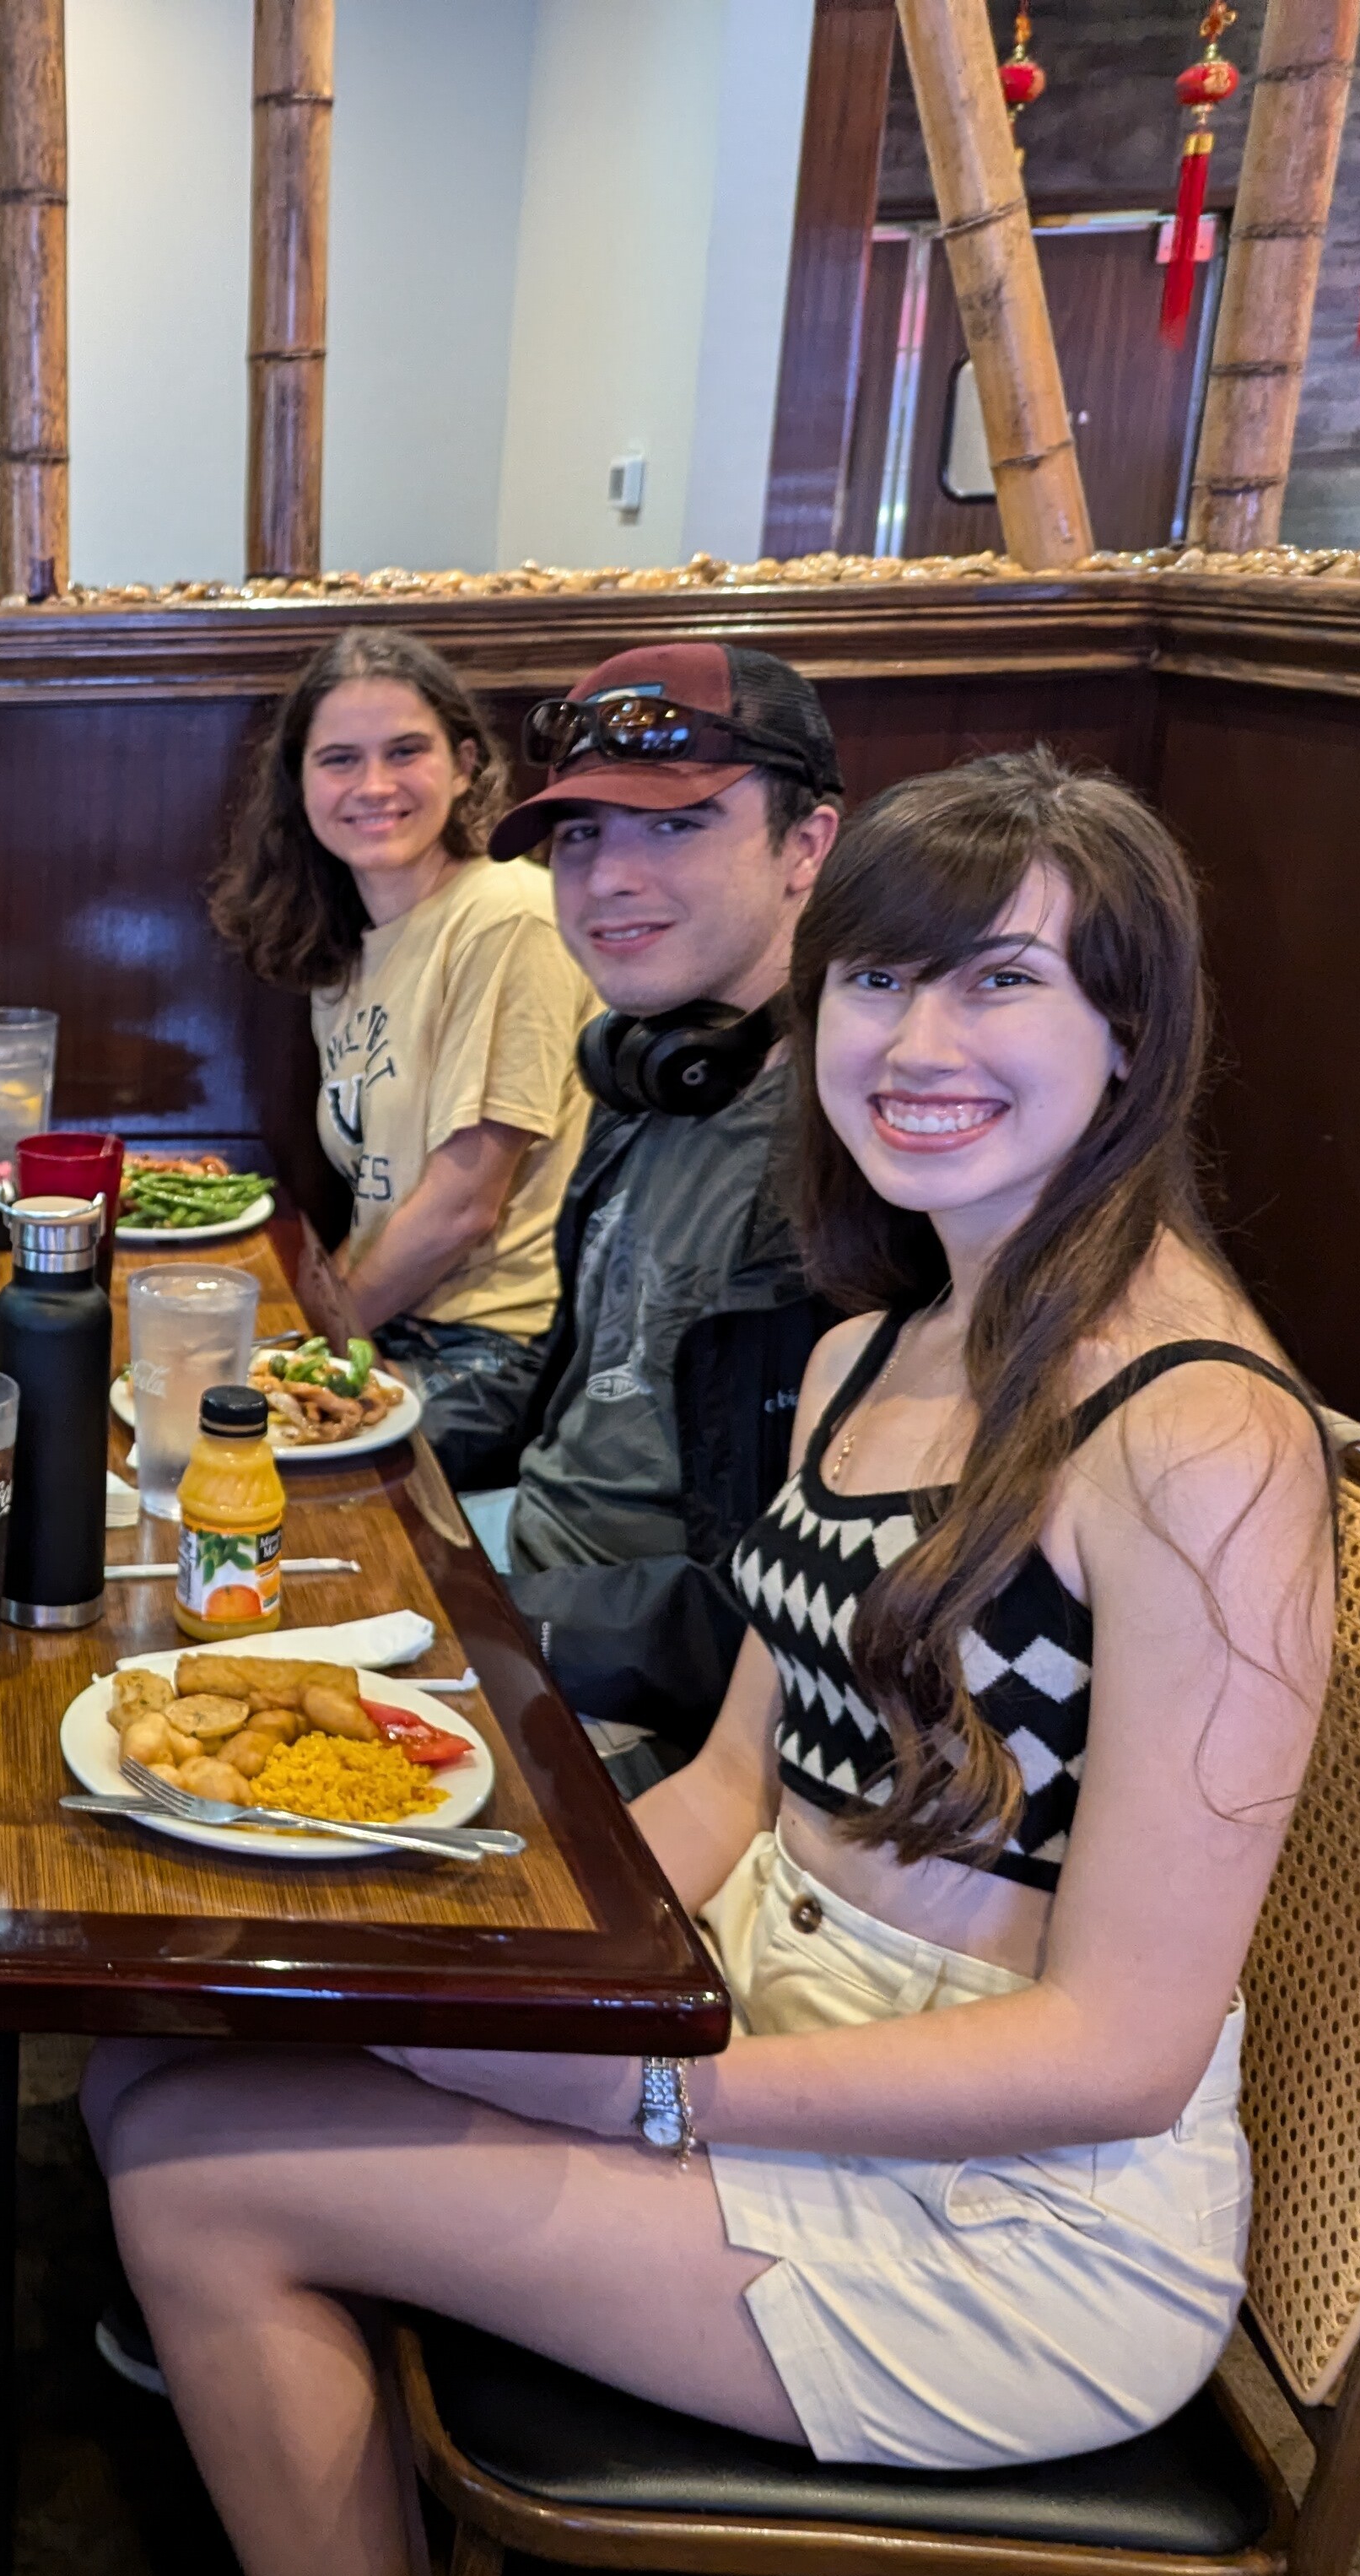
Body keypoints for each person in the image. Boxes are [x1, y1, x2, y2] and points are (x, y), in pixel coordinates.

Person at [87, 749, 1336, 2576]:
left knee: (196, 2179)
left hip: (1008, 2232)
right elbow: (733, 1790)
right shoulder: (871, 1356)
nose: (920, 1043)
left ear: (1135, 1033)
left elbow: (1123, 2053)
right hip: (766, 2019)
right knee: (149, 2059)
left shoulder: (1199, 1438)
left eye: (1003, 980)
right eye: (881, 980)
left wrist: (651, 2092)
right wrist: (538, 1974)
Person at [470, 640, 850, 1767]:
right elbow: (581, 1397)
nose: (609, 878)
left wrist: (477, 1621)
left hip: (654, 1700)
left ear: (808, 845)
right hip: (529, 1576)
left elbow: (795, 1613)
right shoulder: (658, 1066)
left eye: (674, 826)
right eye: (582, 835)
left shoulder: (857, 1161)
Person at [208, 628, 600, 1482]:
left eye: (406, 752)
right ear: (300, 784)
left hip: (496, 1354)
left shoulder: (508, 916)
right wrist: (297, 1341)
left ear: (465, 764)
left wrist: (309, 1350)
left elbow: (463, 1207)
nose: (374, 786)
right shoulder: (352, 947)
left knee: (226, 1465)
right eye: (340, 759)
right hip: (397, 1323)